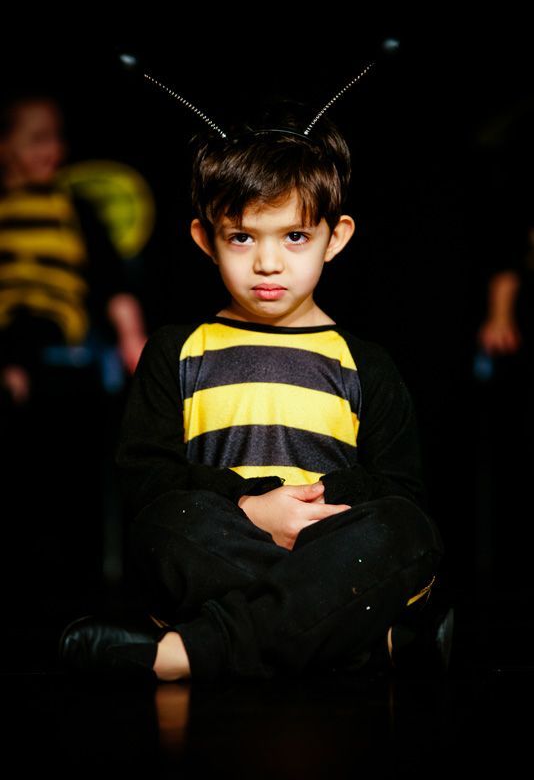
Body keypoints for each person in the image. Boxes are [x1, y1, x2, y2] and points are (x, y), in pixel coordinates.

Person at [59, 100, 449, 684]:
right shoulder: (176, 350)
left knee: (408, 530)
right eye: (241, 237)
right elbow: (147, 479)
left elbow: (397, 485)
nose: (268, 263)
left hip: (331, 550)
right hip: (227, 552)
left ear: (335, 237)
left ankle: (188, 652)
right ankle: (359, 641)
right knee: (167, 525)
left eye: (294, 235)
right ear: (204, 238)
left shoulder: (365, 363)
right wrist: (250, 510)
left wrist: (318, 505)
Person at [0, 92, 147, 607]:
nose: (53, 150)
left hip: (62, 355)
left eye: (56, 138)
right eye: (37, 139)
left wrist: (133, 342)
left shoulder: (74, 208)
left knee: (76, 479)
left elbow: (112, 283)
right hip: (10, 347)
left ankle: (80, 591)